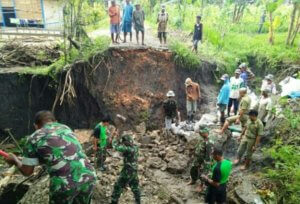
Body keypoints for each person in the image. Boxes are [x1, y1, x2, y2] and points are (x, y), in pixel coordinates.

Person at [5, 111, 96, 204]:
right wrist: (24, 160)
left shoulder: (34, 138)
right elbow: (54, 156)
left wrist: (15, 160)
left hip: (65, 183)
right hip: (89, 176)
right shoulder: (65, 128)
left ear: (35, 125)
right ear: (55, 121)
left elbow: (27, 171)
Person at [111, 134, 141, 204]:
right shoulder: (135, 147)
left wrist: (115, 139)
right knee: (135, 187)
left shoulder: (127, 149)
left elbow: (115, 146)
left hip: (127, 171)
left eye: (124, 142)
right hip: (134, 170)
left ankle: (114, 202)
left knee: (118, 186)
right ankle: (138, 202)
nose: (124, 143)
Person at [188, 127, 213, 192]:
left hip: (204, 160)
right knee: (193, 169)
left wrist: (206, 164)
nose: (201, 134)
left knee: (203, 173)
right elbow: (197, 147)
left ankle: (201, 185)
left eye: (202, 133)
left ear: (206, 133)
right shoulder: (201, 139)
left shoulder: (209, 143)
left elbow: (209, 155)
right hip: (197, 158)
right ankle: (193, 180)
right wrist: (193, 151)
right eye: (200, 133)